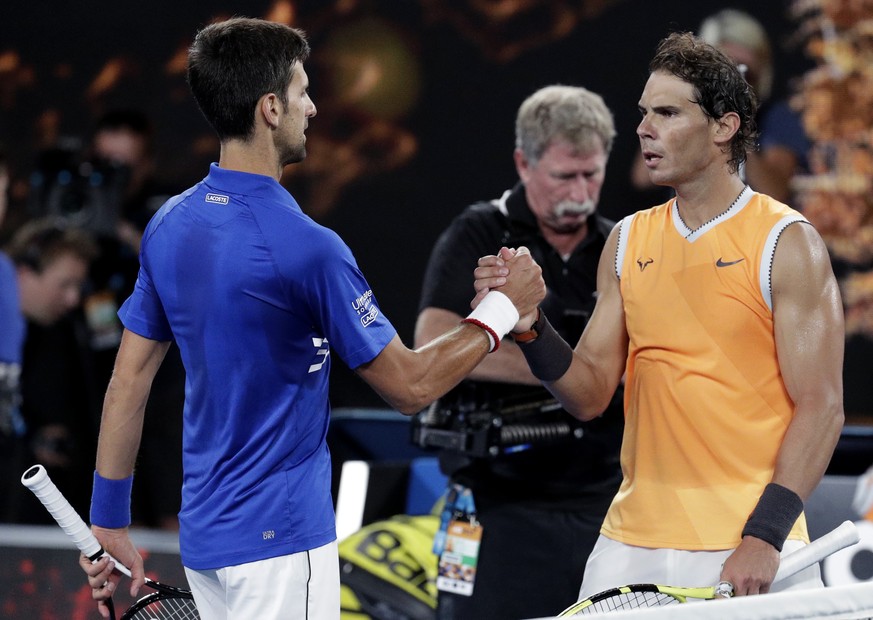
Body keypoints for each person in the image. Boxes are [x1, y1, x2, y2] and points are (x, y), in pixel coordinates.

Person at [78, 17, 544, 620]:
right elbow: (410, 387)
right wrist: (504, 310)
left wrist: (109, 520)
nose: (314, 107)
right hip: (280, 547)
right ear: (270, 108)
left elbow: (128, 384)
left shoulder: (169, 225)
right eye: (302, 91)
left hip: (207, 545)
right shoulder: (307, 247)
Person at [478, 32, 844, 601]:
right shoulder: (626, 241)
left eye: (668, 113)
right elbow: (591, 392)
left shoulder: (787, 241)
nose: (645, 128)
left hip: (750, 545)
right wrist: (530, 328)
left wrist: (765, 536)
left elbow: (822, 404)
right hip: (630, 541)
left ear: (723, 127)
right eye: (644, 113)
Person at [414, 85, 623, 619]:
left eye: (592, 173)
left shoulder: (621, 245)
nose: (581, 192)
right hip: (492, 505)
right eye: (564, 176)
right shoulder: (478, 231)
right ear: (522, 163)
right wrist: (575, 371)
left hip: (603, 504)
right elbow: (432, 344)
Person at [630, 9, 810, 205]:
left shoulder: (777, 117)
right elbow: (643, 176)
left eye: (744, 73)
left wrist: (738, 131)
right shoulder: (691, 109)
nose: (733, 83)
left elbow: (776, 194)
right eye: (724, 71)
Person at [1, 218, 99, 523]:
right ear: (24, 273)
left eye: (77, 287)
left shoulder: (59, 334)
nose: (73, 299)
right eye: (64, 284)